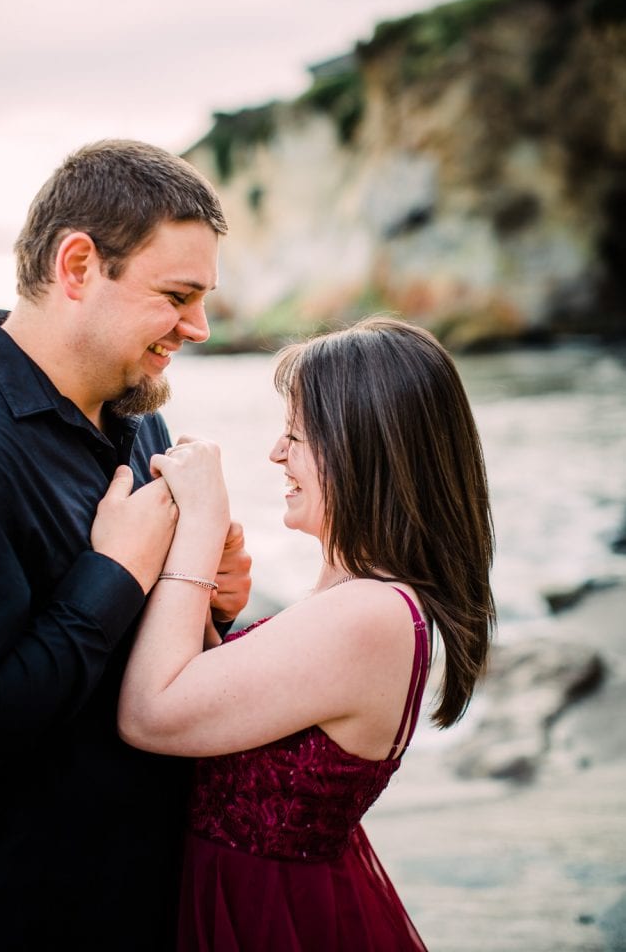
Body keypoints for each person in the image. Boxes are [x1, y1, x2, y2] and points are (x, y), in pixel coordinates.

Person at [0, 140, 251, 951]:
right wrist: (114, 574)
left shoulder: (136, 414)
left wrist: (208, 599)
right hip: (30, 916)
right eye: (177, 295)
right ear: (77, 265)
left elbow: (151, 668)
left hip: (157, 893)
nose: (199, 326)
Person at [111, 313, 496, 951]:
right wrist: (206, 604)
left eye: (297, 434)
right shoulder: (355, 600)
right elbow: (222, 718)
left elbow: (150, 714)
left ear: (363, 447)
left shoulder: (370, 615)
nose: (276, 453)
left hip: (270, 920)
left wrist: (202, 522)